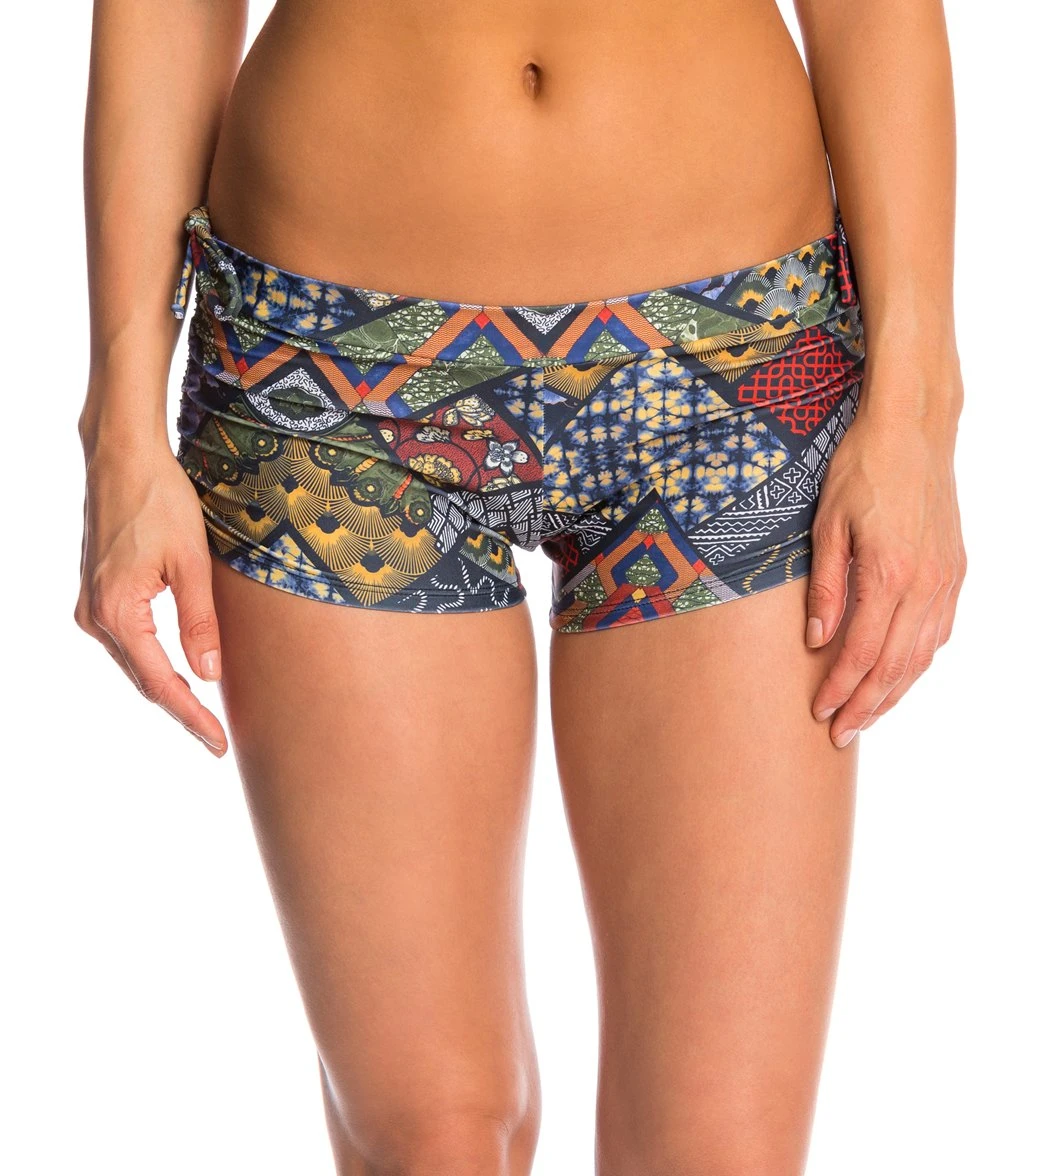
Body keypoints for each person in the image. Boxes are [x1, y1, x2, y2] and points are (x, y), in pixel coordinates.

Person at [75, 2, 967, 1172]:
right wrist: (120, 423)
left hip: (732, 366)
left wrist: (917, 410)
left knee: (718, 1150)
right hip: (329, 379)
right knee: (434, 1137)